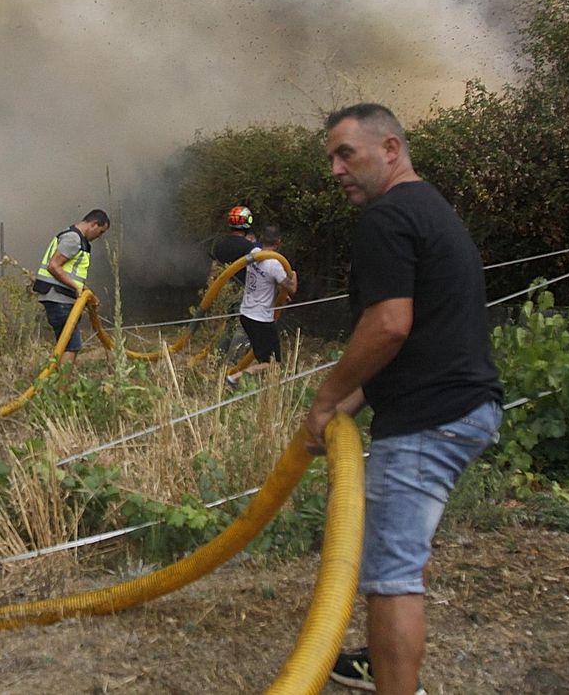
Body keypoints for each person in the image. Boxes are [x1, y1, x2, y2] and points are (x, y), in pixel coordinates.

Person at [304, 104, 502, 695]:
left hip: (428, 420)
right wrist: (353, 402)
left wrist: (326, 398)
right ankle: (381, 662)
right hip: (462, 405)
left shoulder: (386, 217)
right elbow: (424, 333)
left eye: (346, 154)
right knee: (396, 554)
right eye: (331, 158)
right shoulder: (429, 207)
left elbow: (390, 325)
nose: (336, 169)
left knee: (391, 574)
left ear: (390, 149)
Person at [33, 209, 111, 365]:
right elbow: (54, 266)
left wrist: (85, 291)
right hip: (58, 298)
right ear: (94, 224)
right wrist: (76, 288)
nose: (100, 236)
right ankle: (62, 380)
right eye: (101, 231)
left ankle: (56, 377)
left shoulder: (75, 238)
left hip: (60, 298)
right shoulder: (73, 239)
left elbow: (71, 274)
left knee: (65, 345)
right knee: (71, 346)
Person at [223, 224, 297, 388]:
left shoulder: (254, 253)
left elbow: (267, 281)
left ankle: (260, 386)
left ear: (262, 239)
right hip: (261, 319)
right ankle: (234, 378)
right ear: (278, 242)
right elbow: (292, 288)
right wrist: (293, 275)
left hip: (246, 314)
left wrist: (280, 294)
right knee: (273, 363)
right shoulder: (275, 264)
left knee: (262, 356)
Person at [210, 205, 259, 359]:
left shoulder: (220, 246)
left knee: (229, 326)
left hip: (225, 292)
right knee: (243, 328)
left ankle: (219, 359)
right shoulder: (249, 247)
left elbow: (214, 270)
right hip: (243, 292)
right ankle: (234, 362)